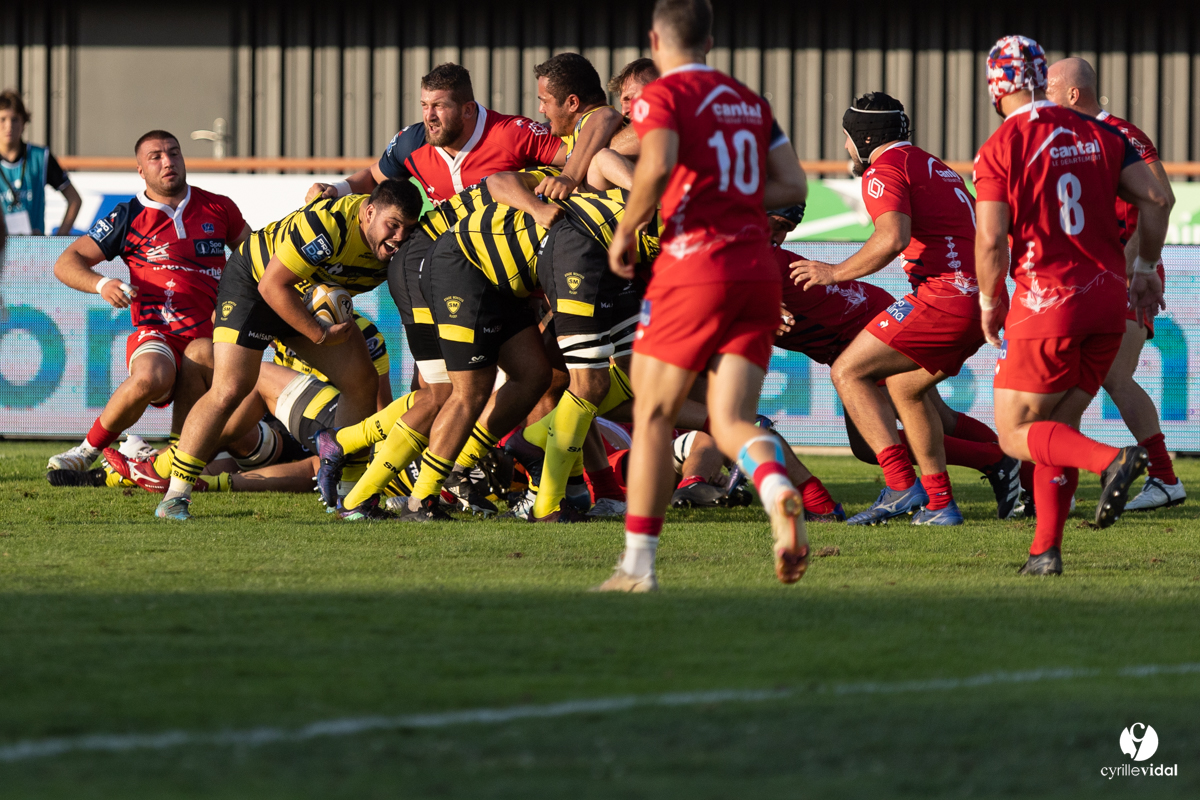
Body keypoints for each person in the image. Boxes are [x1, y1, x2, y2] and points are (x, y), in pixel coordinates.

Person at [602, 0, 809, 592]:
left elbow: (658, 164)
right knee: (731, 418)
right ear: (710, 41)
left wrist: (626, 227)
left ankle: (637, 569)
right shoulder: (750, 102)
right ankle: (777, 494)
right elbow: (792, 184)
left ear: (655, 40)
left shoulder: (661, 96)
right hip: (755, 271)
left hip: (695, 266)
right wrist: (736, 196)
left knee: (653, 414)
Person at [973, 35, 1169, 575]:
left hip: (1046, 302)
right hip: (1109, 301)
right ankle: (1045, 551)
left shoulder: (1001, 145)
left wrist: (990, 300)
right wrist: (1146, 267)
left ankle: (1114, 460)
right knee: (1057, 429)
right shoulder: (1101, 133)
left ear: (997, 87)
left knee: (1014, 433)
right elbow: (1156, 198)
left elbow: (990, 240)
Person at [792, 93, 1019, 525]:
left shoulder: (884, 169)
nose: (845, 147)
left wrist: (834, 273)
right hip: (980, 298)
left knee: (848, 371)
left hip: (944, 296)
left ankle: (900, 486)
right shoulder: (936, 167)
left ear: (863, 136)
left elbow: (892, 236)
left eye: (846, 137)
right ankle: (944, 502)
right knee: (905, 388)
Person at [153, 179, 422, 520]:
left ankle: (350, 501)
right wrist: (320, 336)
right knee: (230, 389)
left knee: (362, 381)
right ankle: (175, 496)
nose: (399, 236)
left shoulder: (403, 248)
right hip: (256, 284)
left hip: (305, 297)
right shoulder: (329, 224)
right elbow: (272, 284)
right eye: (393, 225)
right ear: (369, 213)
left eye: (407, 228)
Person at [46, 131, 251, 475]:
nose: (168, 161)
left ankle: (156, 459)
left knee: (238, 451)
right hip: (159, 335)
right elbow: (65, 263)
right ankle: (87, 450)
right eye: (155, 157)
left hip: (213, 342)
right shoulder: (127, 215)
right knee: (149, 377)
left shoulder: (219, 207)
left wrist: (237, 294)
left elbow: (254, 258)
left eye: (174, 153)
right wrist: (102, 283)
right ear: (141, 170)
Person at [1044, 57, 1185, 513]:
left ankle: (1164, 478)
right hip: (1086, 280)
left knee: (1112, 375)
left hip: (1125, 275)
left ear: (1072, 94)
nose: (1041, 97)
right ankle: (1048, 483)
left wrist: (1136, 267)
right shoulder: (1063, 140)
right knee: (1070, 380)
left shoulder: (1122, 133)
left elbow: (1161, 199)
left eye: (1049, 89)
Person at [0, 90, 81, 236]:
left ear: (24, 122)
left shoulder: (40, 157)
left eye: (15, 119)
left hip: (32, 249)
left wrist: (58, 238)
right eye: (3, 119)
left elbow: (74, 199)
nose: (9, 126)